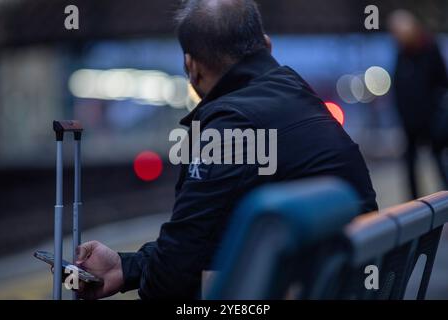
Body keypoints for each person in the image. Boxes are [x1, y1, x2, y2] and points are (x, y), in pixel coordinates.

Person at [75, 0, 377, 300]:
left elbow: (171, 279)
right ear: (267, 47)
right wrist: (125, 268)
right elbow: (199, 242)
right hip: (345, 282)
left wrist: (147, 276)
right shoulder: (297, 95)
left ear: (191, 67)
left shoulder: (231, 126)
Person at [389, 10, 448, 199]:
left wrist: (436, 109)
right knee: (410, 164)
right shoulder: (401, 53)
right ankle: (413, 201)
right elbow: (398, 85)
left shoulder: (429, 48)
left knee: (438, 160)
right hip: (410, 121)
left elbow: (442, 81)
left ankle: (445, 196)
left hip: (431, 118)